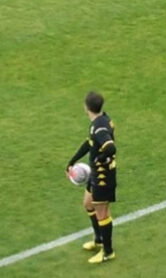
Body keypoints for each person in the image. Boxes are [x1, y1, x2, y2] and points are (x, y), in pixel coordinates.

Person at [66, 91, 118, 264]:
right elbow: (89, 143)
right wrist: (72, 161)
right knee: (88, 204)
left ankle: (108, 252)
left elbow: (110, 147)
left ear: (86, 107)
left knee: (102, 212)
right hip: (96, 174)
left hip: (103, 176)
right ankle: (99, 240)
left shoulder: (99, 127)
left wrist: (99, 159)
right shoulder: (100, 120)